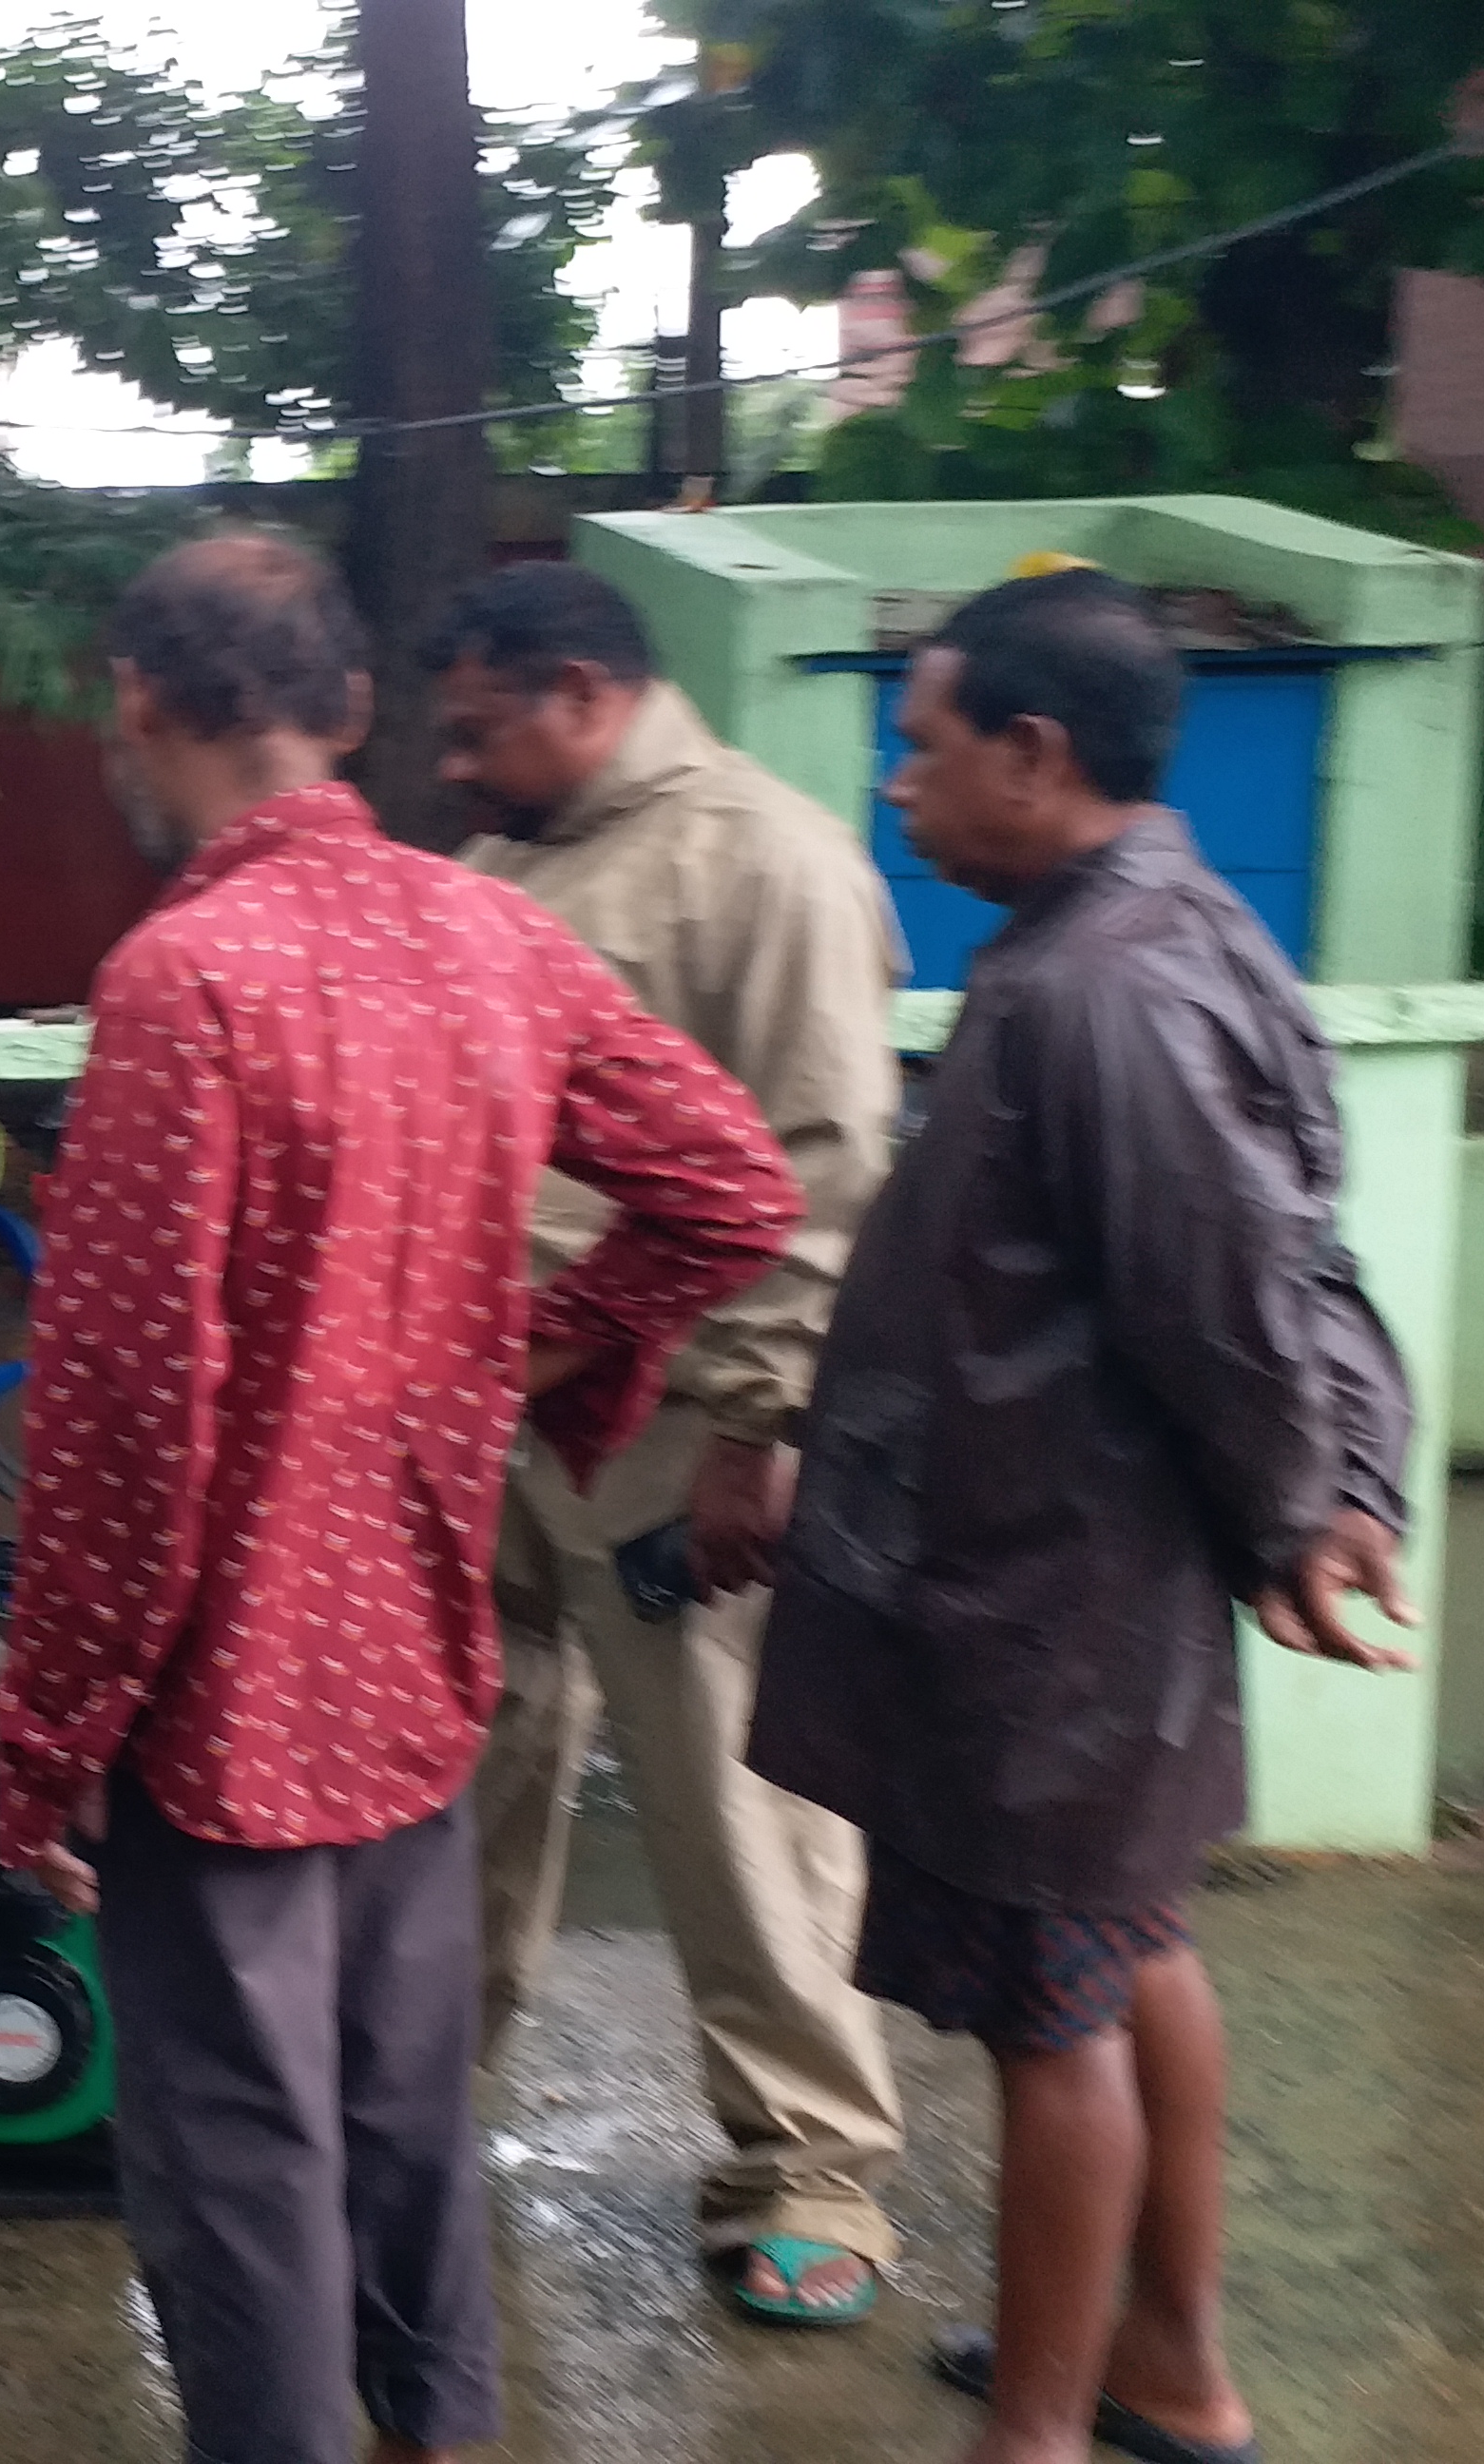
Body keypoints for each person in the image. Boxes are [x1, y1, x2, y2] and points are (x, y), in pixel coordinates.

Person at [0, 533, 804, 2464]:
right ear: (350, 709)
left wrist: (50, 1733)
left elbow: (124, 1413)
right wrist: (559, 1340)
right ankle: (437, 2430)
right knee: (405, 2096)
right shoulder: (491, 933)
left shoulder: (182, 981)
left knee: (242, 2146)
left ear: (137, 701)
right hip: (427, 1640)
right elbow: (734, 1183)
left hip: (229, 1683)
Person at [748, 569, 1417, 2464]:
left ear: (1035, 759)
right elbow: (1300, 1259)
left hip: (1051, 1604)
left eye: (923, 748)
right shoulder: (1163, 931)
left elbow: (1224, 1293)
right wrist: (1331, 1481)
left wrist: (1310, 1506)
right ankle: (1168, 2366)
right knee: (1131, 1954)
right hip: (1078, 1590)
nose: (900, 787)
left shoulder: (1104, 988)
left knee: (1057, 2016)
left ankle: (1036, 2435)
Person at [424, 561, 916, 2328]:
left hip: (689, 1415)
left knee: (731, 1798)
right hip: (499, 1400)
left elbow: (829, 1164)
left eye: (480, 729)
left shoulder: (764, 858)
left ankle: (808, 2162)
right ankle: (411, 2087)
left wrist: (766, 1429)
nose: (458, 768)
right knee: (459, 1763)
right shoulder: (501, 868)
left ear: (579, 688)